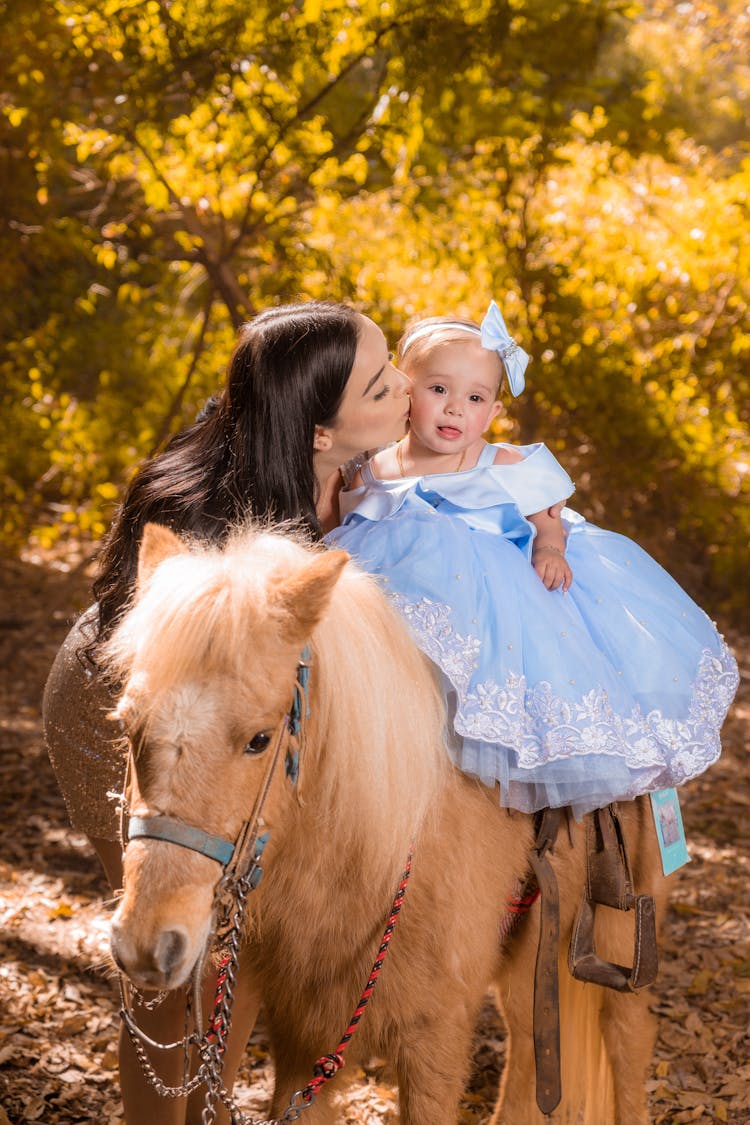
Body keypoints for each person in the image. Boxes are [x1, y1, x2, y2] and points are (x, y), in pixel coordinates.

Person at [43, 300, 411, 1125]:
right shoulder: (219, 516)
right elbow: (184, 698)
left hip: (239, 715)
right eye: (383, 384)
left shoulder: (357, 471)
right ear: (319, 429)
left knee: (236, 944)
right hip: (134, 705)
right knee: (172, 947)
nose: (407, 391)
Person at [328, 301, 739, 818]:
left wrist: (548, 545)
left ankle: (492, 774)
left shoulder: (501, 460)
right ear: (406, 391)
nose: (456, 408)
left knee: (507, 668)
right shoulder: (374, 468)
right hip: (409, 586)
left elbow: (547, 512)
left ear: (494, 412)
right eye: (438, 390)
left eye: (475, 398)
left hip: (495, 590)